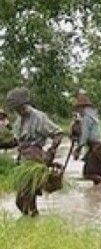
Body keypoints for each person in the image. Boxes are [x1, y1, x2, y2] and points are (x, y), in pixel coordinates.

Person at [5, 87, 64, 216]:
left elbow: (58, 133)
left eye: (19, 108)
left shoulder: (39, 117)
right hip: (24, 160)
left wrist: (51, 152)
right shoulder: (19, 120)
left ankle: (32, 222)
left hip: (35, 159)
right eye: (15, 109)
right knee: (25, 200)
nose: (18, 111)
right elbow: (17, 140)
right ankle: (32, 220)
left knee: (24, 198)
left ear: (24, 104)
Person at [72, 94, 101, 186]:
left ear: (82, 107)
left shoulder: (87, 118)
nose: (78, 111)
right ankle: (99, 196)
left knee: (88, 174)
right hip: (100, 147)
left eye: (78, 108)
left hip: (95, 148)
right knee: (97, 177)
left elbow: (84, 136)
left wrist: (78, 149)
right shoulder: (94, 117)